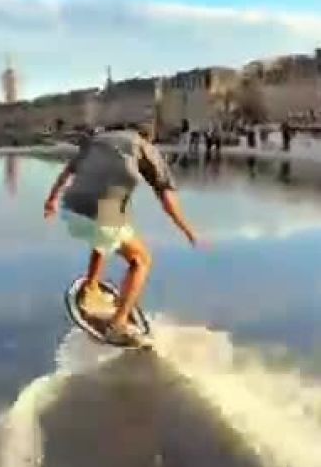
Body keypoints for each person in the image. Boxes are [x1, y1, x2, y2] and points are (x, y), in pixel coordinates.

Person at [44, 123, 202, 347]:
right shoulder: (145, 148)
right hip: (102, 214)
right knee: (142, 260)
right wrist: (188, 230)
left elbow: (68, 172)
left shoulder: (98, 141)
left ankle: (92, 287)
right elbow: (166, 197)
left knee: (111, 234)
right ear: (147, 136)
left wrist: (51, 201)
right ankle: (117, 325)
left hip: (71, 210)